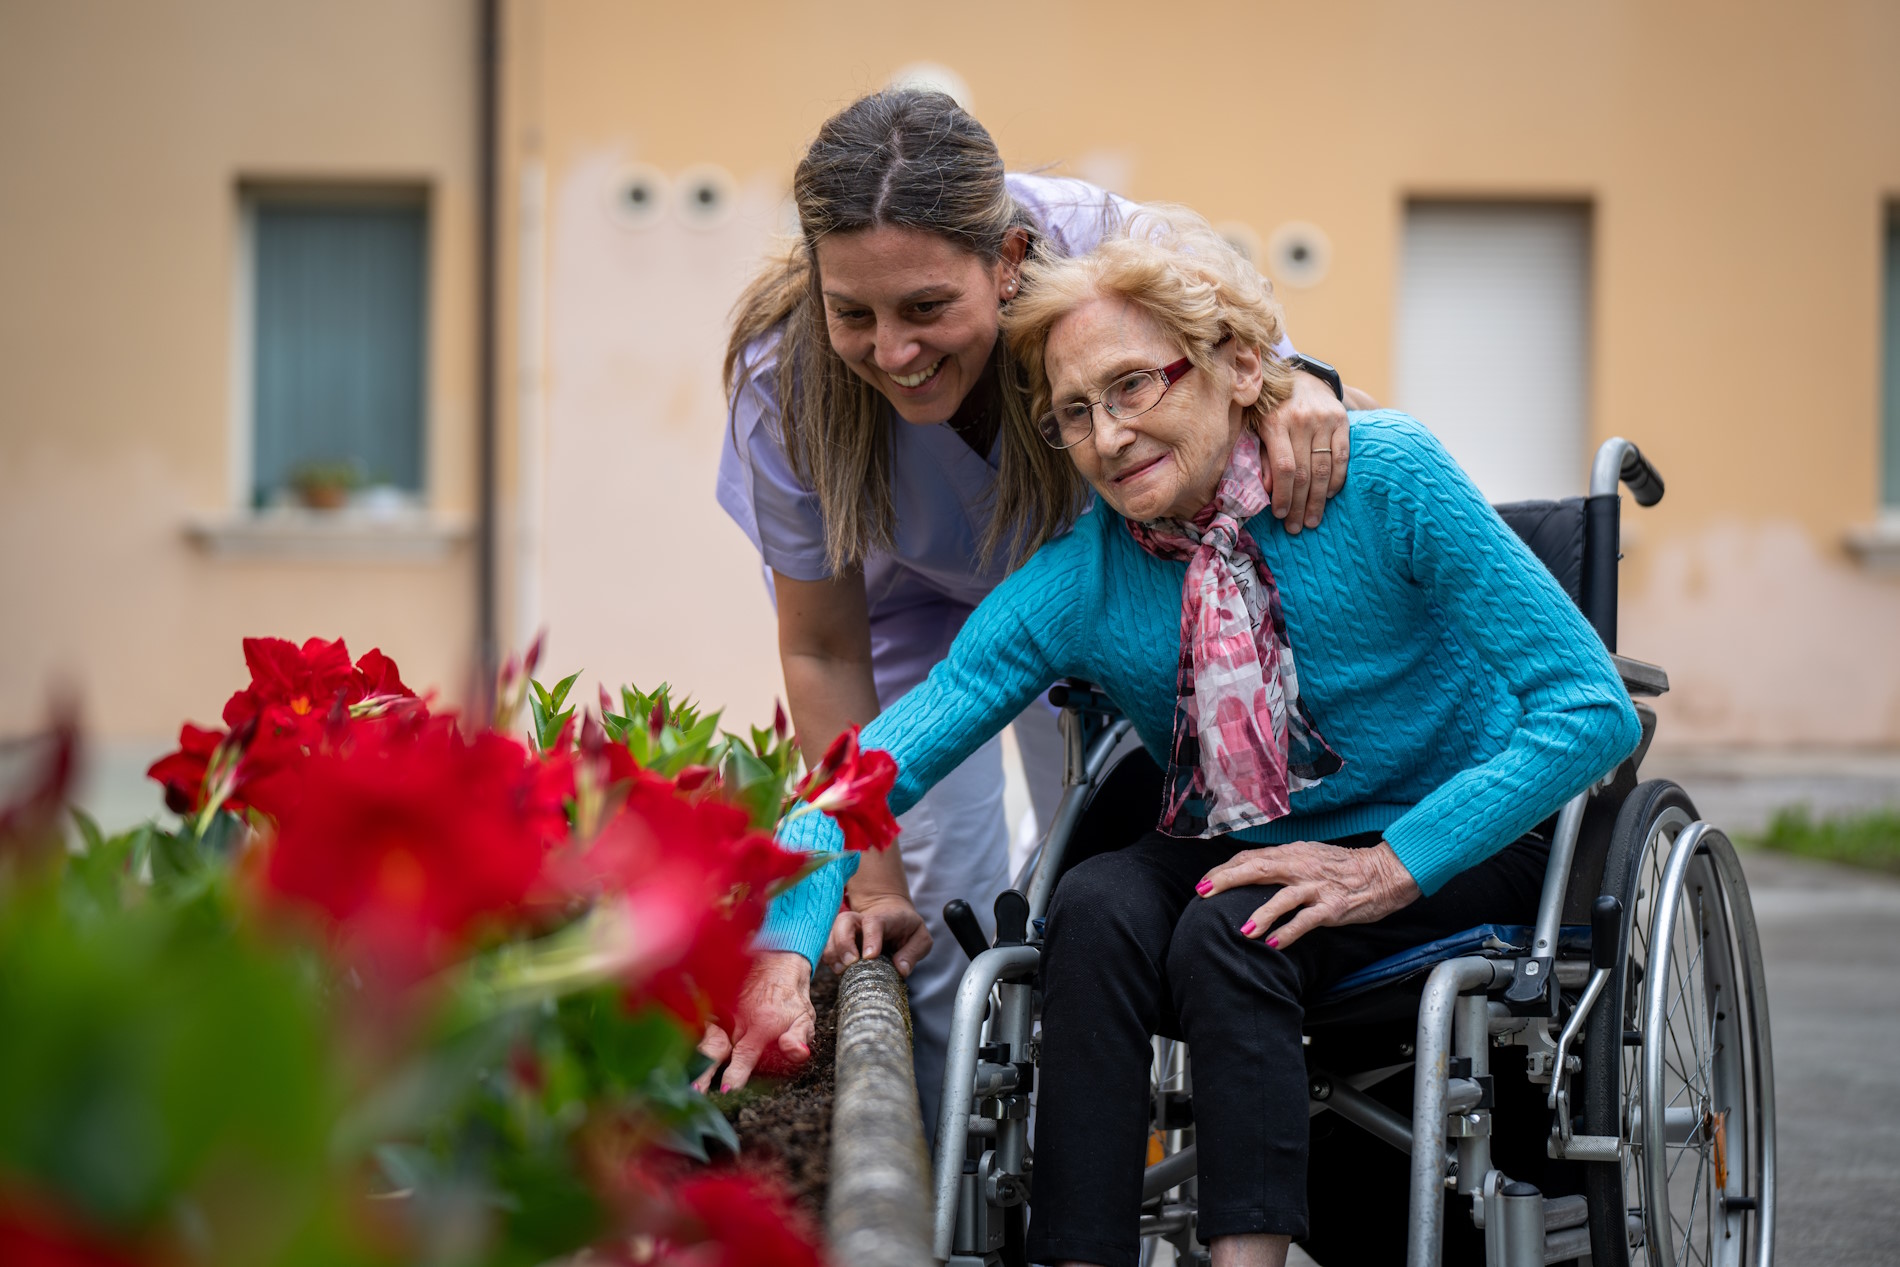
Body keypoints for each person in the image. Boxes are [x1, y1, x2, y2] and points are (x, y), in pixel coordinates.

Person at [722, 212, 1640, 1267]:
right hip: (1240, 833)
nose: (1108, 436)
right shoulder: (1085, 577)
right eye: (1074, 412)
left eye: (1132, 386)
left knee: (1232, 928)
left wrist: (1384, 868)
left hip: (1458, 829)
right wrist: (781, 950)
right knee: (1092, 905)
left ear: (1239, 366)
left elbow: (1590, 710)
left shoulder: (1387, 477)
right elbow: (873, 770)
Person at [708, 88, 1370, 1126]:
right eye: (855, 314)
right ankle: (950, 1177)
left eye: (927, 307)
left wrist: (1304, 388)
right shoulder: (781, 379)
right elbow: (826, 646)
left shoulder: (1111, 254)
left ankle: (1110, 1135)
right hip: (909, 621)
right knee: (929, 913)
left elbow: (1259, 383)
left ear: (1010, 259)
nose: (893, 350)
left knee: (1090, 876)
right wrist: (868, 883)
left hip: (1097, 600)